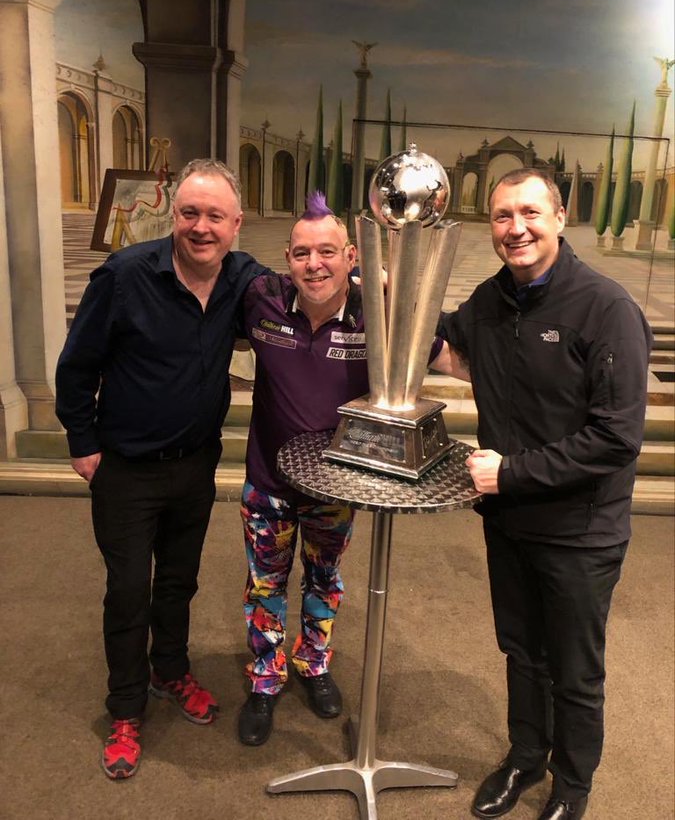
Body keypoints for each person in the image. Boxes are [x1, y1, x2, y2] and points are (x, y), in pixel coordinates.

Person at [434, 168, 652, 820]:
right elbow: (443, 336)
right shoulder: (490, 301)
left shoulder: (606, 309)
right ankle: (524, 757)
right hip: (510, 523)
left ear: (558, 217)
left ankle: (571, 784)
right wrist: (389, 289)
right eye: (502, 216)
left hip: (579, 531)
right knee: (521, 652)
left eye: (529, 212)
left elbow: (616, 440)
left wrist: (509, 474)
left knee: (574, 670)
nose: (515, 228)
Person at [55, 158, 267, 779]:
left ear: (236, 225)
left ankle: (170, 670)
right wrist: (81, 440)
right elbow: (77, 364)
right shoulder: (124, 275)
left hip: (195, 465)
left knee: (180, 580)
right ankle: (124, 708)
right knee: (128, 589)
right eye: (190, 213)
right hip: (124, 467)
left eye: (215, 216)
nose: (201, 227)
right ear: (174, 214)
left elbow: (299, 297)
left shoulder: (243, 281)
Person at [236, 192, 444, 746]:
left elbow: (442, 349)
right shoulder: (263, 301)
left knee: (324, 580)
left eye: (327, 251)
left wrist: (393, 287)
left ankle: (314, 663)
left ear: (352, 256)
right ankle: (265, 676)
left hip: (338, 483)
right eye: (302, 253)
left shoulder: (376, 315)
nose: (314, 264)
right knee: (266, 584)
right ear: (287, 258)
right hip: (268, 484)